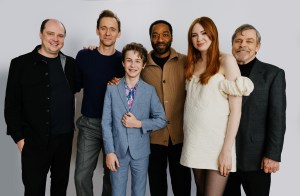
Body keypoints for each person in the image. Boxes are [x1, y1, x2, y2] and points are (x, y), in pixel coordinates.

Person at [180, 17, 254, 196]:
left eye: (204, 33)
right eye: (194, 35)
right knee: (200, 192)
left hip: (217, 144)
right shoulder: (192, 63)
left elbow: (236, 110)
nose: (199, 38)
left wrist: (226, 150)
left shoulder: (226, 60)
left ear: (213, 34)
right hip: (195, 141)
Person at [4, 19, 76, 196]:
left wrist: (93, 52)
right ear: (41, 34)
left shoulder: (71, 65)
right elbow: (11, 106)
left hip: (63, 141)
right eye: (50, 34)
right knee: (33, 191)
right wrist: (20, 139)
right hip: (33, 142)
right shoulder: (20, 64)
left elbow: (91, 81)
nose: (55, 39)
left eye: (60, 35)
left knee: (59, 190)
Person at [223, 24, 286, 196]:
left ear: (257, 46)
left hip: (257, 158)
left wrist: (272, 155)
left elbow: (277, 118)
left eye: (249, 41)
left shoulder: (273, 74)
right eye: (238, 41)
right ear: (232, 45)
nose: (243, 45)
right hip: (224, 156)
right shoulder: (220, 73)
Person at [102, 42, 166, 196]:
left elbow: (161, 119)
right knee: (117, 192)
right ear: (123, 63)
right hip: (118, 151)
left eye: (138, 61)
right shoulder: (112, 88)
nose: (133, 65)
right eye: (129, 60)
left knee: (139, 192)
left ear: (143, 65)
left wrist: (138, 123)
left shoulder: (149, 91)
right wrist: (109, 152)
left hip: (141, 152)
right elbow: (106, 123)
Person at [74, 10, 124, 196]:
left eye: (112, 29)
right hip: (89, 124)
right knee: (81, 176)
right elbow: (74, 85)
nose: (108, 33)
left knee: (112, 176)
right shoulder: (84, 56)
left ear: (119, 33)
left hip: (115, 126)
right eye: (103, 28)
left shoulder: (124, 61)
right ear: (97, 31)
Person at [140, 20, 191, 196]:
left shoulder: (186, 61)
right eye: (155, 35)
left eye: (164, 34)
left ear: (171, 37)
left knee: (182, 186)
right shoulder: (141, 65)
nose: (160, 39)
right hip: (153, 137)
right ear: (150, 38)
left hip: (181, 136)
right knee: (157, 186)